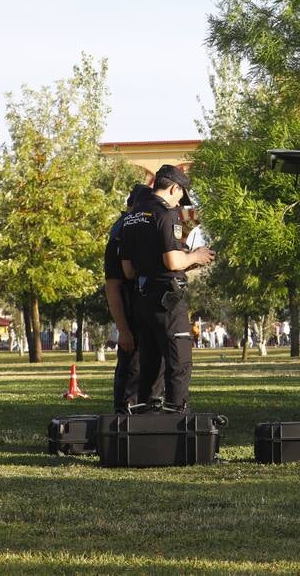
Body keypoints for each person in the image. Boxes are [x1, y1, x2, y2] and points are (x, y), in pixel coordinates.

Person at [120, 164, 214, 412]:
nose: (179, 203)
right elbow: (172, 261)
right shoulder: (166, 214)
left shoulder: (132, 216)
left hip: (143, 301)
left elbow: (128, 270)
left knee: (150, 367)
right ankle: (178, 424)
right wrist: (196, 256)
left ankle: (146, 423)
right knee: (178, 363)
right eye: (180, 196)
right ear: (174, 188)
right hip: (168, 301)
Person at [103, 183, 157, 413]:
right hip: (130, 311)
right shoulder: (120, 234)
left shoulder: (137, 230)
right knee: (131, 364)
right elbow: (113, 286)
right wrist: (123, 329)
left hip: (145, 309)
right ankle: (124, 416)